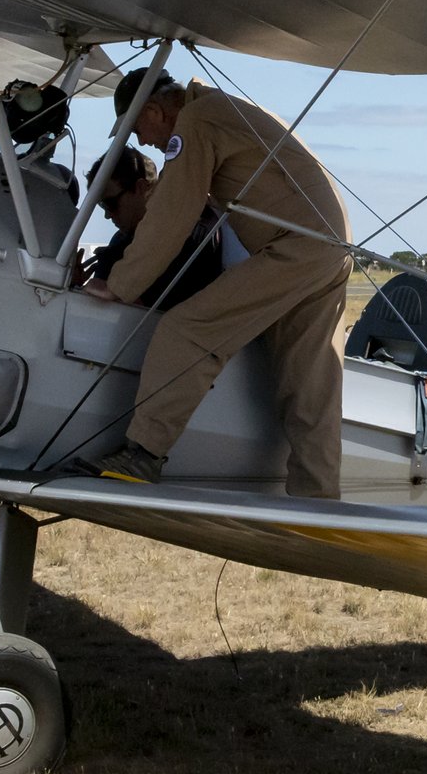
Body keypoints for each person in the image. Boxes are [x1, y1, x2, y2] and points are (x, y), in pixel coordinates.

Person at [81, 68, 351, 497]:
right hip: (330, 247)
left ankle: (143, 454)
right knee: (310, 389)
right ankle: (317, 502)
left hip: (297, 247)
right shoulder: (222, 109)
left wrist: (120, 283)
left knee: (185, 330)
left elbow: (172, 212)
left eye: (137, 129)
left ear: (153, 110)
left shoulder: (196, 120)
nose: (143, 142)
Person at [83, 145, 224, 309]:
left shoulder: (188, 231)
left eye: (111, 204)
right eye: (102, 206)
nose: (108, 215)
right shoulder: (121, 241)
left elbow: (151, 308)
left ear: (141, 188)